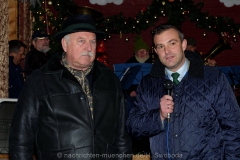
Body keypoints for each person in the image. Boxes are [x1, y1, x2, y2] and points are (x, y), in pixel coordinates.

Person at [9, 14, 132, 160]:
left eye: (92, 41)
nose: (89, 47)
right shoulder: (39, 81)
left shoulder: (110, 79)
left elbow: (122, 136)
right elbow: (21, 138)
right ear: (64, 44)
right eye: (81, 41)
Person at [127, 24, 240, 159]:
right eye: (160, 46)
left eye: (172, 43)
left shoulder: (214, 78)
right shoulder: (148, 83)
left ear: (184, 44)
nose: (167, 51)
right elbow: (133, 128)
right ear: (156, 51)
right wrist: (159, 116)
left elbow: (234, 129)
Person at [125, 35, 151, 154]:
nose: (142, 53)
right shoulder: (129, 63)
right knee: (129, 105)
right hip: (134, 94)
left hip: (148, 94)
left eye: (144, 51)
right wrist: (131, 90)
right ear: (136, 52)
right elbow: (125, 82)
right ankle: (134, 133)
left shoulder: (153, 63)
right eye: (140, 51)